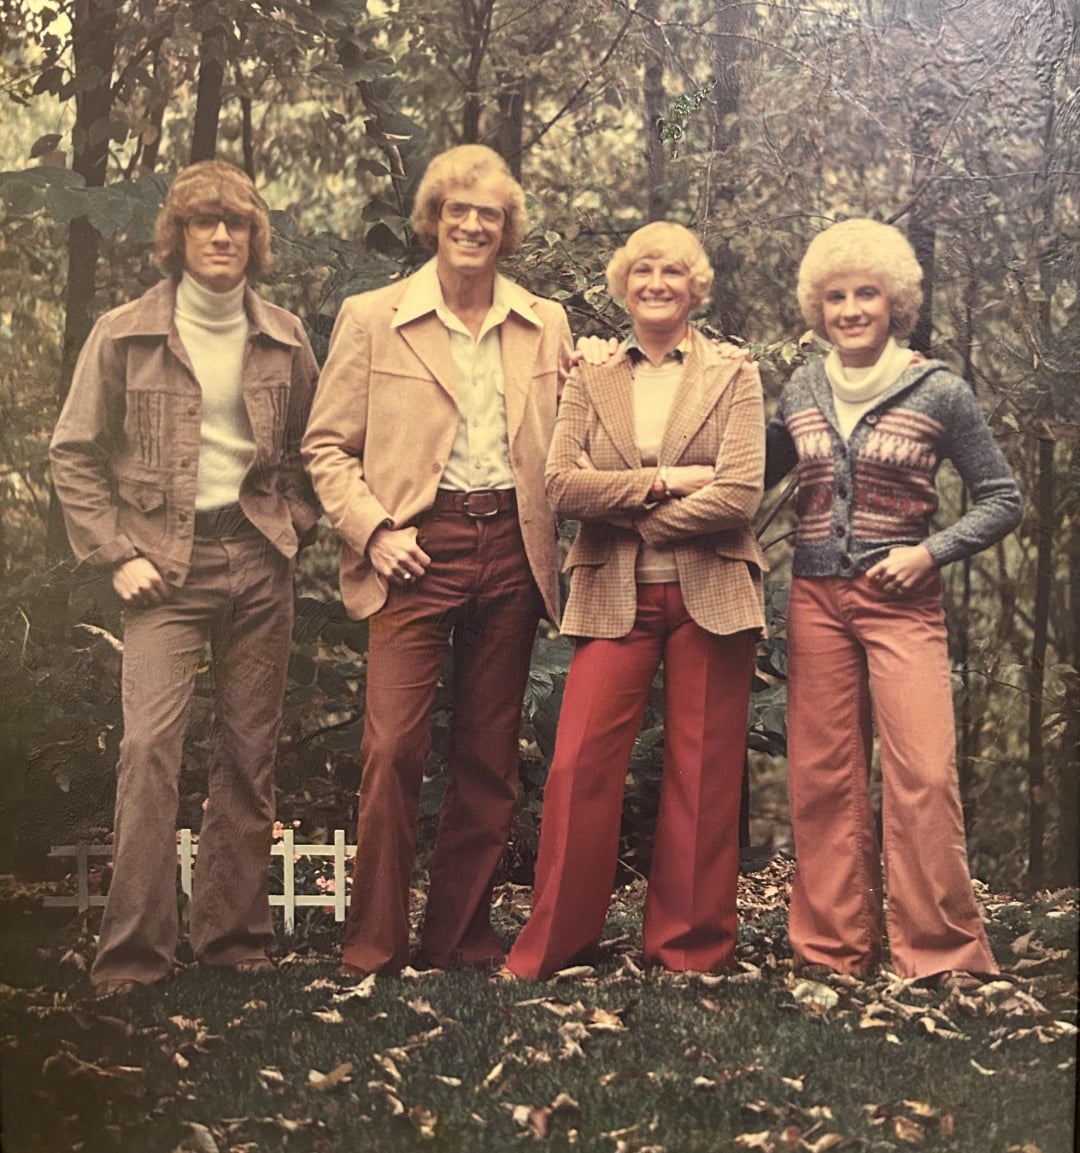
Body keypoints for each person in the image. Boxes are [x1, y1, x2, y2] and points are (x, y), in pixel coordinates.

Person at [49, 160, 321, 998]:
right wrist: (115, 553)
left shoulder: (283, 335)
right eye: (204, 222)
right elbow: (73, 451)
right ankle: (134, 954)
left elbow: (319, 451)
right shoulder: (124, 332)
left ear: (254, 239)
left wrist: (292, 526)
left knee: (247, 753)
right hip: (162, 567)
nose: (220, 237)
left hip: (257, 559)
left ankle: (234, 939)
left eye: (235, 224)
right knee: (148, 750)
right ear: (177, 235)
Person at [302, 144, 572, 976]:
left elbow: (573, 440)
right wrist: (376, 532)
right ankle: (375, 941)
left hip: (515, 549)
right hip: (416, 546)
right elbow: (325, 447)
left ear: (506, 228)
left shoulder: (545, 322)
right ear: (433, 219)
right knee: (391, 749)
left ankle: (459, 936)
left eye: (489, 214)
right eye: (458, 210)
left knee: (490, 756)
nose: (472, 224)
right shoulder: (372, 317)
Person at [503, 221, 767, 980]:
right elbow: (560, 484)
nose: (656, 282)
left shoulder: (734, 372)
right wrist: (663, 483)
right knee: (578, 765)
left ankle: (689, 952)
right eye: (642, 270)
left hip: (711, 590)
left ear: (695, 286)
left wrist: (631, 511)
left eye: (672, 271)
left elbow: (739, 491)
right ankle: (554, 946)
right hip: (613, 591)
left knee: (703, 770)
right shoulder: (591, 374)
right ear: (624, 283)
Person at [767, 218, 1023, 979]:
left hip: (902, 600)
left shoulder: (939, 388)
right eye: (837, 296)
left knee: (924, 772)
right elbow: (751, 468)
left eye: (866, 294)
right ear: (819, 306)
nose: (851, 309)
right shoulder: (801, 387)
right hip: (814, 598)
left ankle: (941, 954)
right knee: (822, 774)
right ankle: (831, 949)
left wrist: (928, 551)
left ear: (894, 302)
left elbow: (1003, 498)